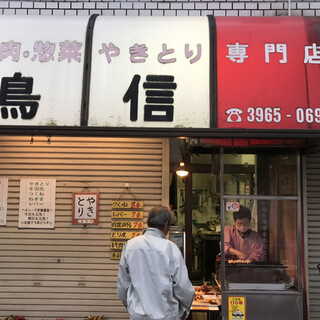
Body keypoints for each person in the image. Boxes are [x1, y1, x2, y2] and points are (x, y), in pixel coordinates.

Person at [117, 205, 195, 320]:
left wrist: (131, 307)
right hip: (166, 316)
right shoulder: (170, 248)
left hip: (138, 316)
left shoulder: (130, 246)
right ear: (166, 224)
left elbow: (122, 286)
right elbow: (183, 287)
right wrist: (184, 310)